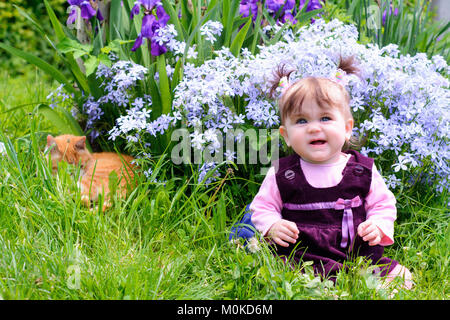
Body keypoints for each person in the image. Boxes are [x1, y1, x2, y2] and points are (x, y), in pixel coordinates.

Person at [248, 56, 412, 288]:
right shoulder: (283, 173)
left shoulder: (361, 170)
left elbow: (383, 204)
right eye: (302, 121)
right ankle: (315, 285)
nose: (314, 127)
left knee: (400, 276)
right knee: (285, 275)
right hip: (301, 256)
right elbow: (263, 206)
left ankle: (360, 280)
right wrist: (273, 225)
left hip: (357, 255)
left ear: (346, 128)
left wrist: (377, 225)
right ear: (285, 135)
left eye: (325, 118)